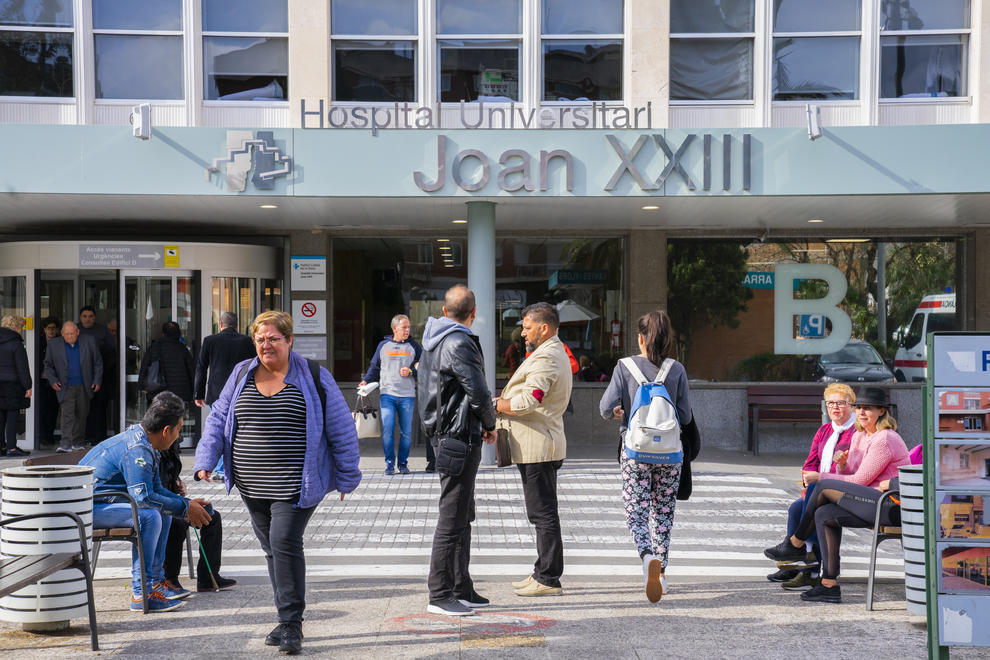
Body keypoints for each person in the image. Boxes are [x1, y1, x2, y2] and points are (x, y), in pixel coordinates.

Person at [194, 310, 361, 655]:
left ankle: (291, 624)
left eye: (273, 338)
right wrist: (204, 460)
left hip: (297, 483)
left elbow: (341, 428)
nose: (266, 345)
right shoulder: (242, 373)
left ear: (289, 340)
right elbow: (219, 419)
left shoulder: (314, 375)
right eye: (260, 339)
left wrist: (347, 475)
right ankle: (286, 617)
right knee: (273, 549)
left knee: (284, 540)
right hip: (251, 484)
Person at [763, 386, 910, 604]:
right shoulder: (861, 436)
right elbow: (852, 476)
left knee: (821, 486)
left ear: (881, 411)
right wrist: (841, 465)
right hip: (870, 500)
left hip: (890, 505)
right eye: (859, 407)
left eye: (867, 408)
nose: (861, 412)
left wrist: (823, 476)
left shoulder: (884, 438)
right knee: (824, 513)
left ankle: (795, 543)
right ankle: (828, 584)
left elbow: (860, 481)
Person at [80, 391, 213, 612]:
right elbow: (143, 497)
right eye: (179, 430)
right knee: (149, 515)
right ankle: (142, 592)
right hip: (87, 508)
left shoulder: (145, 441)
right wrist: (185, 507)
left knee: (162, 512)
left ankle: (155, 582)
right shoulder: (138, 449)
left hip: (100, 503)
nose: (179, 436)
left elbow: (156, 490)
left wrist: (186, 503)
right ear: (165, 431)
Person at [599, 310, 692, 603]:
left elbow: (605, 407)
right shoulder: (676, 369)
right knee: (663, 512)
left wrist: (618, 411)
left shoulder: (624, 367)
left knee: (636, 511)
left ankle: (646, 556)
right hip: (670, 454)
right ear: (668, 341)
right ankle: (661, 574)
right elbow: (686, 416)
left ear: (640, 338)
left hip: (635, 451)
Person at [418, 284, 497, 617]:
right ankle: (440, 592)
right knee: (452, 516)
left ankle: (461, 587)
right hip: (458, 434)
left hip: (446, 433)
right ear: (474, 312)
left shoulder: (434, 340)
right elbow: (477, 391)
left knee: (462, 511)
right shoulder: (459, 341)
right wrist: (490, 423)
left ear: (443, 311)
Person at [494, 302, 573, 598]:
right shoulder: (547, 352)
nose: (523, 333)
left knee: (543, 514)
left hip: (539, 446)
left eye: (527, 327)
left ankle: (549, 577)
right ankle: (542, 571)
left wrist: (495, 405)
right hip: (536, 445)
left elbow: (529, 401)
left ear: (544, 328)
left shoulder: (548, 357)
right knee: (540, 513)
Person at [768, 383, 857, 589]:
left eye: (841, 403)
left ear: (852, 406)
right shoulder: (825, 430)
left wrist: (823, 476)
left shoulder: (856, 433)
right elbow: (810, 463)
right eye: (830, 403)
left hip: (843, 489)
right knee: (796, 507)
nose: (835, 407)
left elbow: (852, 470)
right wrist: (808, 479)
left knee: (814, 506)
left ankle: (805, 562)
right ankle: (798, 563)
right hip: (819, 488)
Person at [159, 441, 236, 593]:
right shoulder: (151, 449)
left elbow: (169, 476)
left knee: (212, 517)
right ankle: (169, 578)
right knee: (177, 523)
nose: (179, 435)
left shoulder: (171, 446)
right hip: (155, 506)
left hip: (171, 500)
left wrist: (177, 484)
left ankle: (208, 577)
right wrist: (185, 504)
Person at [194, 312, 255, 480]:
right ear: (237, 325)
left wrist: (198, 394)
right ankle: (230, 467)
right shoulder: (246, 341)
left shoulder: (210, 341)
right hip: (241, 391)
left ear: (220, 324)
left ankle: (222, 469)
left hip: (217, 392)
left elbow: (201, 367)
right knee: (236, 429)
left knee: (219, 428)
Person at [360, 314, 422, 475]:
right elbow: (374, 366)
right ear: (395, 328)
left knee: (406, 432)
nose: (407, 330)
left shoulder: (414, 346)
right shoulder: (383, 346)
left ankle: (402, 464)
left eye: (409, 327)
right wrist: (366, 381)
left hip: (407, 395)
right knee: (388, 429)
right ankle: (389, 463)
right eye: (404, 327)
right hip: (387, 394)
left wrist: (411, 371)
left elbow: (423, 364)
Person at [43, 321, 102, 453]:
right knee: (67, 415)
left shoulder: (89, 341)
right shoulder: (54, 344)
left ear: (77, 332)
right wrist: (53, 380)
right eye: (67, 334)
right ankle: (65, 444)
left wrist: (97, 381)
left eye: (72, 333)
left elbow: (98, 363)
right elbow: (48, 365)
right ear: (62, 334)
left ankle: (78, 442)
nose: (70, 336)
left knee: (81, 414)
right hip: (65, 385)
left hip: (84, 385)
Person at [79, 306, 116, 445]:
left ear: (94, 317)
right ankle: (84, 437)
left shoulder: (102, 331)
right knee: (82, 410)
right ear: (80, 317)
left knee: (99, 409)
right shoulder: (75, 331)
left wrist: (104, 372)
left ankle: (99, 438)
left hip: (101, 377)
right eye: (85, 316)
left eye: (90, 316)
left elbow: (112, 351)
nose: (88, 319)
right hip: (80, 378)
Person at [139, 321, 195, 408]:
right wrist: (194, 391)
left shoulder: (154, 347)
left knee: (159, 418)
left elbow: (144, 367)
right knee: (176, 418)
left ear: (163, 333)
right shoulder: (182, 349)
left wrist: (142, 385)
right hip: (179, 394)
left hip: (158, 392)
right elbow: (192, 371)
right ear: (178, 333)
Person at [0, 315, 31, 457]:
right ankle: (11, 448)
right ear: (16, 327)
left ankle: (1, 447)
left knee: (0, 417)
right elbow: (22, 368)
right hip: (12, 386)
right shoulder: (16, 343)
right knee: (12, 416)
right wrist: (28, 386)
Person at [37, 317, 60, 448]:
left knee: (53, 410)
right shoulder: (39, 342)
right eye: (48, 328)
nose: (51, 331)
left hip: (56, 381)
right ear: (44, 329)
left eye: (53, 328)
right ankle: (41, 436)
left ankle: (50, 436)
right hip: (42, 380)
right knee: (41, 409)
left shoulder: (60, 342)